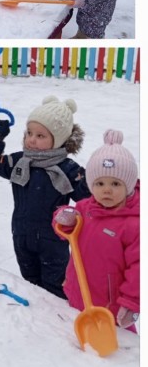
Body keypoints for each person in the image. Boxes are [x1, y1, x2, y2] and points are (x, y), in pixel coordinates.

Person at [0, 96, 90, 298]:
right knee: (30, 283)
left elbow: (86, 196)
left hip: (53, 240)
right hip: (21, 234)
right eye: (29, 133)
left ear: (58, 140)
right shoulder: (20, 161)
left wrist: (93, 178)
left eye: (41, 135)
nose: (32, 139)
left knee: (55, 286)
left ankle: (56, 315)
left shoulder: (67, 169)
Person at [53, 130, 139, 332]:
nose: (106, 190)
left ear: (128, 186)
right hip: (77, 294)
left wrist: (132, 302)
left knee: (119, 347)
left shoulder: (134, 224)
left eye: (115, 183)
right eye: (99, 183)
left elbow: (139, 267)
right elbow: (67, 227)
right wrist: (64, 217)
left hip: (111, 309)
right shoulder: (85, 208)